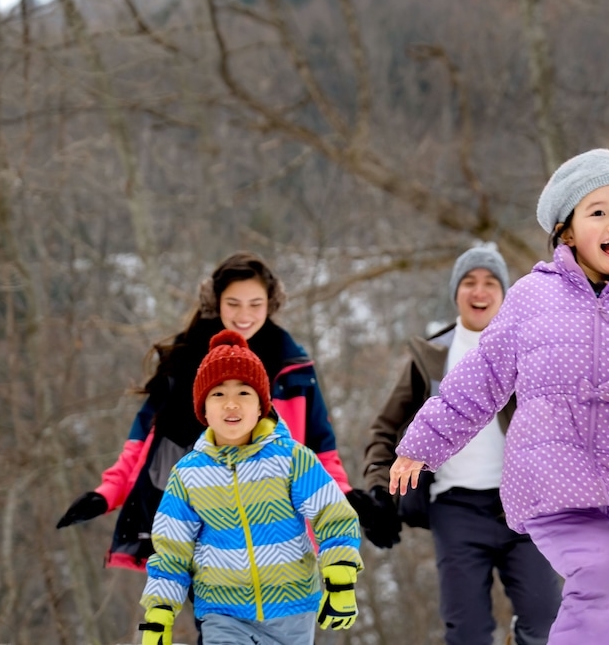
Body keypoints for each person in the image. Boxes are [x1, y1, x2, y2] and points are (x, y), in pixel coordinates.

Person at [389, 149, 609, 645]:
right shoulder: (531, 298)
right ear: (566, 229)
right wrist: (424, 441)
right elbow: (480, 376)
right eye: (599, 211)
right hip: (553, 483)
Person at [56, 251, 352, 572]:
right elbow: (143, 444)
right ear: (216, 302)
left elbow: (321, 449)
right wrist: (107, 494)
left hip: (274, 526)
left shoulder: (293, 368)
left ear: (270, 304)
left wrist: (347, 499)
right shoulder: (185, 362)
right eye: (233, 303)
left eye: (255, 304)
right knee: (214, 616)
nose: (244, 315)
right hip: (199, 521)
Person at [348, 244, 561, 645]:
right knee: (467, 633)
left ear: (504, 293)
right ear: (456, 292)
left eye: (489, 283)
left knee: (546, 622)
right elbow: (384, 428)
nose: (479, 292)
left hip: (524, 507)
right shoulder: (432, 357)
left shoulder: (530, 349)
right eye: (469, 282)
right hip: (455, 508)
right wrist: (381, 490)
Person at [137, 329, 363, 645]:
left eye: (244, 393)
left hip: (292, 608)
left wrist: (340, 582)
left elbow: (333, 517)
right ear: (203, 409)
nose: (231, 404)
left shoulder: (292, 459)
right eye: (218, 394)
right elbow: (172, 551)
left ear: (261, 406)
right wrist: (159, 615)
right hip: (223, 613)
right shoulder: (188, 476)